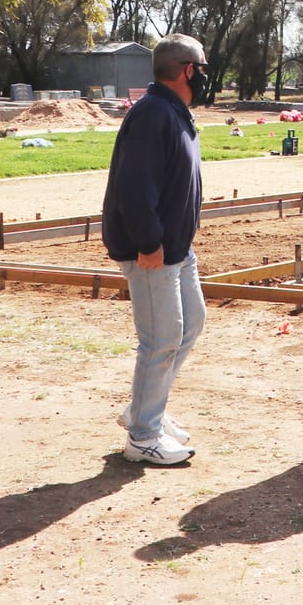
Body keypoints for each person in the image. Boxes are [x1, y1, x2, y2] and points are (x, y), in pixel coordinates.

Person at [101, 34, 211, 467]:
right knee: (161, 339)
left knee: (189, 327)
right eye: (201, 66)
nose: (206, 75)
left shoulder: (174, 112)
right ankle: (142, 435)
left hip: (177, 249)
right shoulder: (153, 115)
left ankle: (146, 409)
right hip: (153, 251)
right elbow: (135, 185)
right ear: (187, 70)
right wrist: (149, 242)